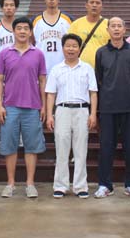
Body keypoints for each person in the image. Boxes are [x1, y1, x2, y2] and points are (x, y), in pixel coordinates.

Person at [0, 16, 47, 198]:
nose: (23, 31)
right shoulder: (4, 53)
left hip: (32, 107)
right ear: (14, 31)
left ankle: (30, 184)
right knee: (9, 146)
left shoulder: (38, 54)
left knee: (32, 147)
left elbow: (42, 80)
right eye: (19, 28)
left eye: (26, 28)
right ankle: (10, 183)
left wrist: (44, 106)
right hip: (10, 107)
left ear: (31, 32)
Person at [93, 17, 130, 199]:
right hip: (107, 107)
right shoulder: (101, 52)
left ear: (124, 29)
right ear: (107, 29)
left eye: (119, 26)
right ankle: (105, 185)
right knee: (106, 147)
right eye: (112, 26)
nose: (116, 29)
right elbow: (99, 78)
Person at [45, 33, 98, 199]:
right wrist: (50, 115)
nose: (71, 49)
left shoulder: (87, 68)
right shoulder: (56, 69)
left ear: (79, 48)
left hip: (82, 111)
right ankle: (61, 186)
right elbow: (51, 94)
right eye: (68, 46)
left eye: (74, 46)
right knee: (61, 149)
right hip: (62, 110)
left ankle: (80, 186)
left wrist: (93, 114)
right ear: (63, 48)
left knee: (81, 150)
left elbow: (93, 93)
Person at [33, 0, 72, 74]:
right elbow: (31, 43)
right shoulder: (36, 21)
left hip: (63, 68)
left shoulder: (68, 20)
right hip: (42, 68)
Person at [68, 0, 109, 68]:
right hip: (80, 68)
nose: (94, 5)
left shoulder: (108, 25)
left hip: (102, 69)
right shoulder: (76, 24)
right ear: (86, 5)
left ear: (102, 6)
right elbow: (69, 47)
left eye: (97, 3)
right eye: (91, 2)